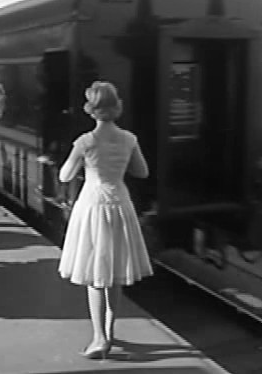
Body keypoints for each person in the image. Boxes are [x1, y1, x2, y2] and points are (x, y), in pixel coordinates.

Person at [57, 81, 152, 360]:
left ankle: (99, 338)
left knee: (95, 275)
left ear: (91, 109)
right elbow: (142, 172)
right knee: (114, 274)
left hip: (93, 205)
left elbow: (64, 175)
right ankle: (109, 332)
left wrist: (83, 165)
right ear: (117, 106)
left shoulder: (85, 142)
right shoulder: (129, 139)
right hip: (120, 203)